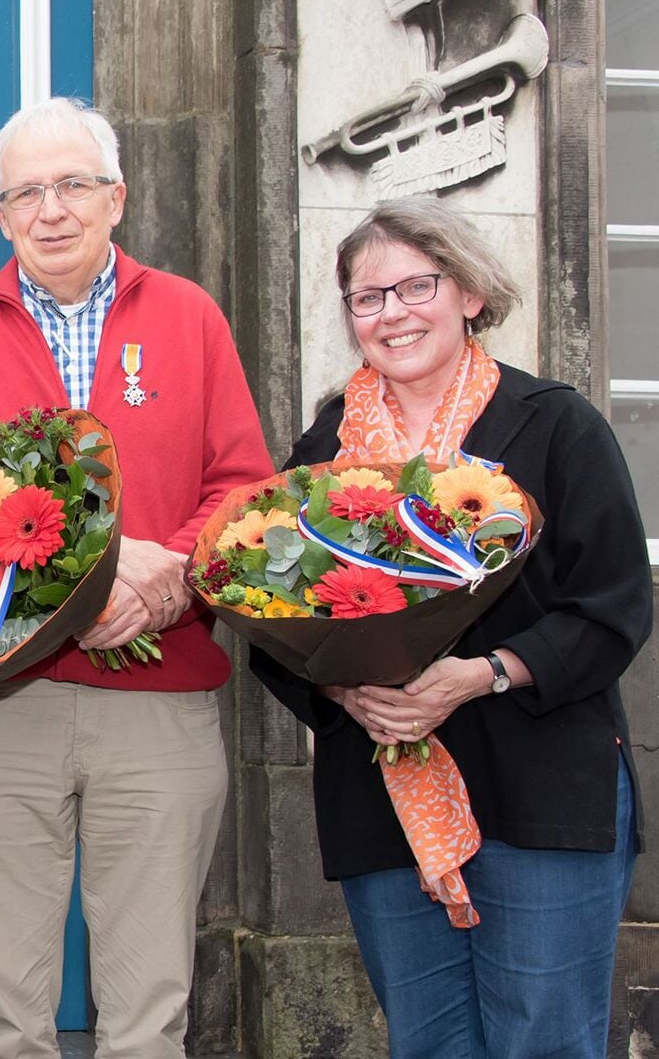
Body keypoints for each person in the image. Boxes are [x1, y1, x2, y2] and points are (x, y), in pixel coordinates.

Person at [0, 97, 274, 1058]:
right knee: (5, 1015)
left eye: (72, 186)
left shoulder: (188, 315)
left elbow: (242, 490)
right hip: (0, 705)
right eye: (27, 192)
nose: (51, 210)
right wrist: (91, 588)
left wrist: (169, 577)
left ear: (117, 198)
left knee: (149, 1013)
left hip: (159, 701)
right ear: (1, 215)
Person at [252, 198, 649, 1058]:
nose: (392, 312)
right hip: (385, 789)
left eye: (414, 286)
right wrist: (343, 688)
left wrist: (488, 671)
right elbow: (266, 617)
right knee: (428, 1046)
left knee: (543, 1041)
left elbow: (615, 602)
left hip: (542, 789)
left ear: (468, 292)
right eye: (368, 297)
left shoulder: (554, 424)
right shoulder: (324, 452)